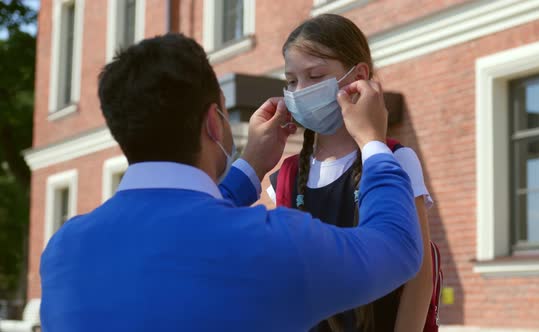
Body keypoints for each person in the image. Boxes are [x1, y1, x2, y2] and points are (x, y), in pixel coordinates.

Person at [40, 34, 423, 332]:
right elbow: (397, 247)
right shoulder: (271, 244)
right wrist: (374, 142)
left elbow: (180, 225)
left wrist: (249, 168)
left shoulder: (62, 251)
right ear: (212, 121)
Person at [268, 14, 434, 332]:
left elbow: (419, 279)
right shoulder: (285, 176)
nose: (300, 91)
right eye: (291, 81)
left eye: (315, 76)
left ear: (357, 76)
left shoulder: (395, 159)